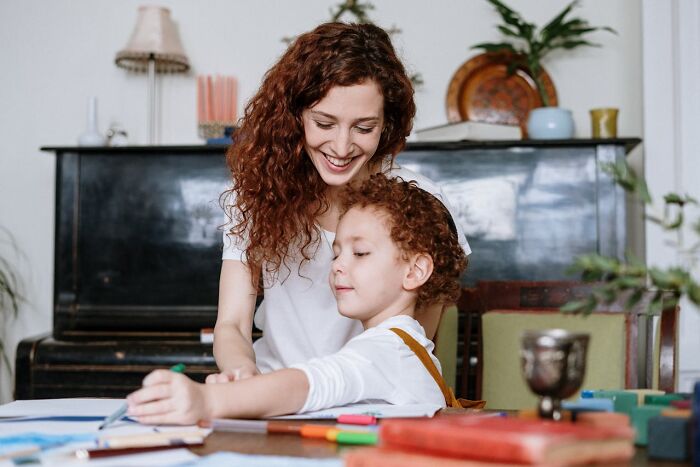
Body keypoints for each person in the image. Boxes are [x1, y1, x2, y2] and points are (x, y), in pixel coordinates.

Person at [208, 21, 470, 384]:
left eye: (364, 128)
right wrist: (243, 376)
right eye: (325, 123)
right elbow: (232, 325)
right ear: (294, 116)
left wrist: (318, 391)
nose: (342, 148)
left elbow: (413, 342)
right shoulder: (256, 193)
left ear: (387, 124)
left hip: (370, 394)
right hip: (274, 390)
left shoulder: (418, 202)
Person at [126, 174, 468, 424]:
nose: (338, 267)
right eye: (336, 254)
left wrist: (206, 399)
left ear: (415, 271)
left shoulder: (387, 349)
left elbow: (307, 384)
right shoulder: (403, 343)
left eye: (360, 253)